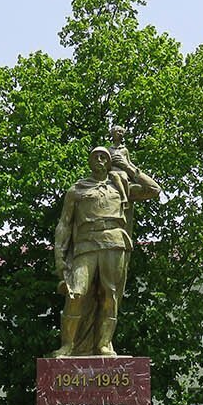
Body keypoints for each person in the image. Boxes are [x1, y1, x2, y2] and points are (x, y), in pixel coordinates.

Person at [52, 130, 161, 357]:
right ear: (90, 162)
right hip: (86, 245)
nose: (100, 160)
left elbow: (154, 190)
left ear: (110, 163)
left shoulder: (120, 187)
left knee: (110, 296)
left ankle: (103, 344)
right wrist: (60, 258)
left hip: (114, 243)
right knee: (76, 294)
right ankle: (68, 345)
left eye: (105, 158)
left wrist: (128, 167)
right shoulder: (77, 190)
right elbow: (63, 225)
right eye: (96, 157)